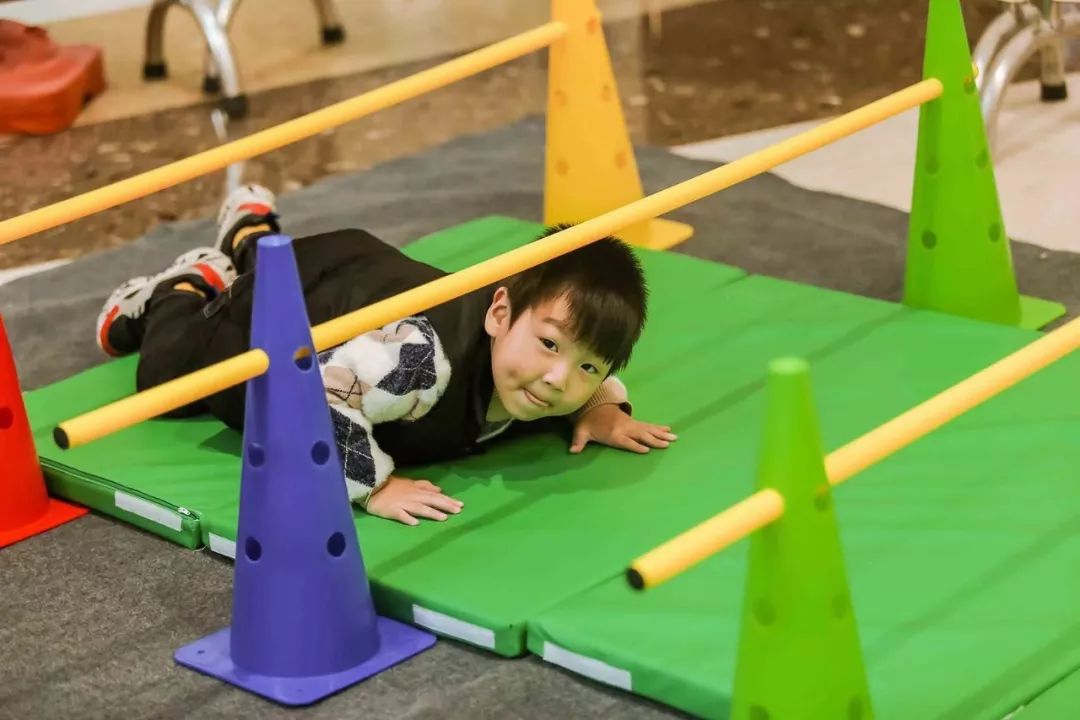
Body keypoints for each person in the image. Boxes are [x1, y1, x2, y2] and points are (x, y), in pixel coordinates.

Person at [95, 185, 677, 525]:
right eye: (549, 344)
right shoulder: (418, 362)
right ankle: (187, 285)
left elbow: (579, 365)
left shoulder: (542, 368)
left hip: (363, 276)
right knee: (166, 383)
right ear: (500, 314)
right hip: (298, 306)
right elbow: (322, 394)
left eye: (588, 369)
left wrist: (599, 408)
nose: (557, 379)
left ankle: (251, 237)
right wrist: (373, 486)